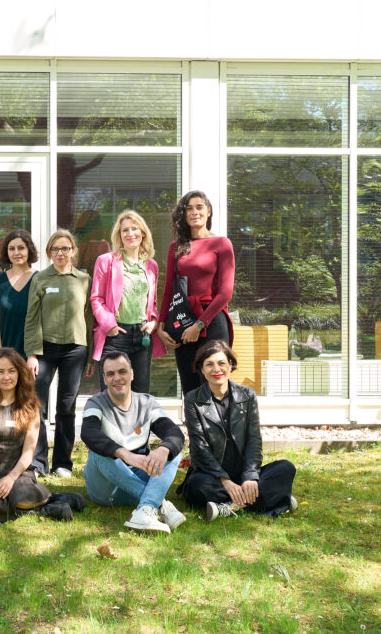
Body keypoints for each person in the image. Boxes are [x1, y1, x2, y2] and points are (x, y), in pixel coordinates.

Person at [179, 340, 298, 521]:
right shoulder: (192, 399)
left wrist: (250, 477)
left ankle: (230, 507)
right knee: (197, 485)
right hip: (212, 476)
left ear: (231, 365)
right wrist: (225, 481)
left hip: (243, 472)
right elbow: (199, 448)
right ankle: (276, 498)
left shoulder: (247, 395)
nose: (216, 369)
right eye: (209, 364)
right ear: (201, 369)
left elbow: (253, 439)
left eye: (221, 363)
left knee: (285, 467)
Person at [0, 348, 83, 523]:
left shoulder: (30, 407)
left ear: (20, 373)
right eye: (1, 372)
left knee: (20, 492)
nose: (6, 377)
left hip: (18, 475)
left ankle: (36, 505)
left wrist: (11, 478)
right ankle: (50, 505)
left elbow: (28, 453)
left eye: (11, 371)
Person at [80, 351, 187, 534]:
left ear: (132, 374)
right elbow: (88, 433)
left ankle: (145, 509)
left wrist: (163, 450)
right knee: (97, 452)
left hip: (136, 480)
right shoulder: (95, 403)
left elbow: (174, 434)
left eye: (122, 372)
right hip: (106, 489)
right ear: (104, 379)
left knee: (172, 450)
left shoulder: (146, 402)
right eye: (110, 374)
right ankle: (159, 504)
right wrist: (125, 455)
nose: (117, 378)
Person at [24, 229, 94, 478]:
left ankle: (63, 462)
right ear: (49, 253)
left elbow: (89, 316)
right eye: (56, 249)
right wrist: (32, 353)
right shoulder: (40, 278)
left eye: (65, 248)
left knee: (66, 405)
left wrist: (91, 353)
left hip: (75, 348)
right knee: (37, 406)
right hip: (45, 349)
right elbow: (31, 317)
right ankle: (38, 462)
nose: (61, 253)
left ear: (73, 251)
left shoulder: (83, 279)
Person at [156, 191, 235, 395]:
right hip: (183, 320)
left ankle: (218, 427)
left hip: (213, 321)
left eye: (199, 207)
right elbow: (169, 289)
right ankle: (195, 428)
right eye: (189, 208)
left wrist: (199, 325)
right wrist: (161, 325)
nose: (194, 212)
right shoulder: (176, 247)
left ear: (208, 211)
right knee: (190, 386)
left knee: (216, 384)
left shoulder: (222, 244)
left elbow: (225, 293)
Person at [90, 210, 162, 394]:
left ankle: (138, 425)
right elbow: (96, 298)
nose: (130, 234)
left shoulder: (151, 265)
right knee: (112, 393)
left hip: (142, 335)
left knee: (140, 393)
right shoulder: (105, 261)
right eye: (125, 230)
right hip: (115, 335)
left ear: (143, 232)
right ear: (119, 235)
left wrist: (153, 321)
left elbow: (151, 303)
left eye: (134, 229)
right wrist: (109, 325)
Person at [0, 229, 38, 359]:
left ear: (29, 250)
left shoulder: (39, 279)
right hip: (6, 350)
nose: (16, 253)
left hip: (32, 354)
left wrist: (34, 355)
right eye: (11, 248)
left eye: (21, 248)